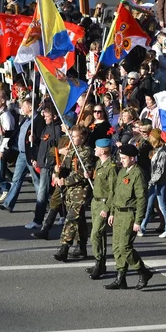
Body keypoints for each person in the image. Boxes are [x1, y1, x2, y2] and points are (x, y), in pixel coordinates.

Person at [105, 144, 154, 290]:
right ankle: (120, 278)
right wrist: (112, 212)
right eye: (121, 158)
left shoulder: (138, 174)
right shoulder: (122, 172)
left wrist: (138, 221)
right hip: (119, 213)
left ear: (133, 158)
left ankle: (143, 271)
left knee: (125, 247)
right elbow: (116, 194)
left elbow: (141, 199)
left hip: (129, 215)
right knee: (116, 248)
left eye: (124, 158)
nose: (122, 160)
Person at [53, 125, 94, 261]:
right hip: (70, 191)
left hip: (80, 190)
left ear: (82, 138)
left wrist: (65, 181)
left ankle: (64, 246)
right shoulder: (71, 150)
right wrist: (57, 171)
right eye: (71, 135)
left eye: (75, 136)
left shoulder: (86, 152)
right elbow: (64, 167)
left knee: (71, 218)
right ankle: (82, 247)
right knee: (79, 219)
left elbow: (83, 174)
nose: (72, 138)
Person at [0, 97, 39, 213]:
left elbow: (40, 138)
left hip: (30, 155)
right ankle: (8, 204)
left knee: (37, 181)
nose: (22, 108)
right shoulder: (25, 119)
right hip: (21, 154)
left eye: (24, 106)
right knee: (16, 179)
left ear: (30, 107)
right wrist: (7, 133)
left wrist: (35, 140)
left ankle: (43, 204)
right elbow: (17, 132)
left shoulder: (37, 120)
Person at [85, 139, 118, 279]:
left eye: (97, 148)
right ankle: (101, 263)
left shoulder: (111, 167)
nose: (94, 150)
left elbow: (113, 190)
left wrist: (107, 207)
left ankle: (99, 261)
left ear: (104, 150)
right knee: (100, 234)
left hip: (104, 203)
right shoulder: (99, 163)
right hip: (95, 202)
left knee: (95, 234)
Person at [27, 105, 62, 231]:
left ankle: (38, 220)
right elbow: (43, 147)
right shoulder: (47, 128)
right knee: (54, 193)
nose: (45, 119)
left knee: (42, 193)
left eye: (47, 117)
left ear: (54, 117)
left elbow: (55, 150)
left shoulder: (56, 130)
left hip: (48, 166)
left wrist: (50, 165)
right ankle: (63, 214)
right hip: (42, 164)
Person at [140, 129, 166, 237]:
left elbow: (159, 170)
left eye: (151, 137)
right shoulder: (157, 150)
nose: (149, 138)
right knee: (148, 205)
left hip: (160, 183)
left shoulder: (163, 152)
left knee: (162, 206)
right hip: (154, 182)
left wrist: (151, 182)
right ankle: (142, 227)